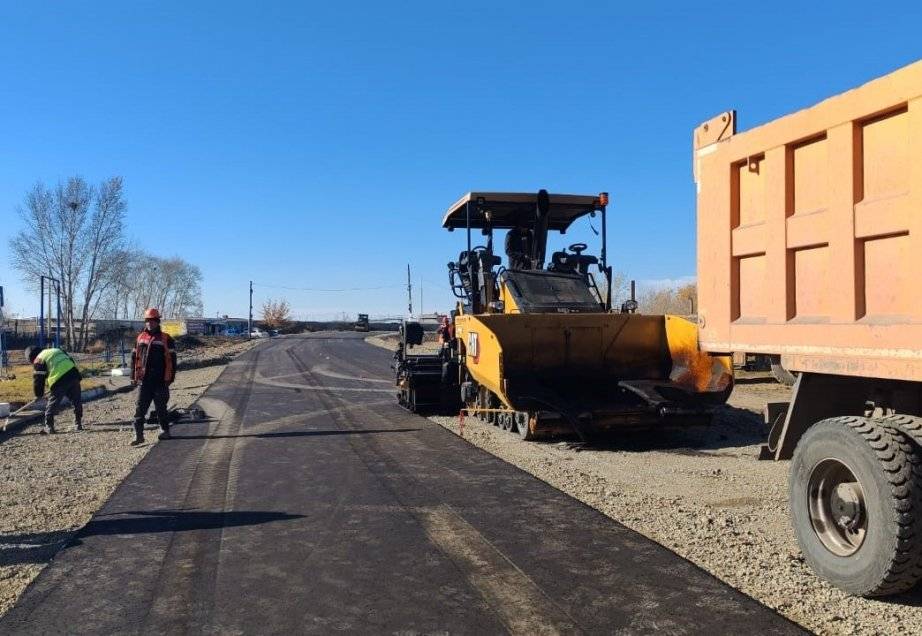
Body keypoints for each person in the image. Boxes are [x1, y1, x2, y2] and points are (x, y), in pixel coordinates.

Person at [130, 308, 177, 446]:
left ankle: (164, 430)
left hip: (160, 380)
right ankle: (138, 435)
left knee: (161, 408)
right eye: (147, 321)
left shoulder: (166, 338)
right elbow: (134, 358)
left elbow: (173, 361)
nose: (150, 323)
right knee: (140, 408)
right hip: (144, 380)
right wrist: (133, 376)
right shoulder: (140, 338)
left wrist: (170, 378)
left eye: (152, 321)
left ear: (157, 321)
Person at [26, 345, 83, 435]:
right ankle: (78, 423)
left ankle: (49, 426)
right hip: (74, 375)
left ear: (31, 358)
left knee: (52, 404)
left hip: (59, 380)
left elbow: (38, 380)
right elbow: (70, 360)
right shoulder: (56, 350)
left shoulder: (39, 359)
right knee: (76, 400)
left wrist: (38, 395)